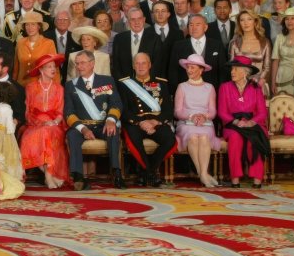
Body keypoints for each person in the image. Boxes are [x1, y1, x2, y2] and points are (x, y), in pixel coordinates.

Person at [64, 50, 123, 190]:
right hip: (83, 126)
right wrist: (83, 129)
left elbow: (116, 103)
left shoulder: (107, 80)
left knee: (113, 131)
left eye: (83, 63)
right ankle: (78, 176)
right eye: (77, 64)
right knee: (72, 134)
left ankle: (116, 172)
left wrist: (110, 120)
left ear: (92, 64)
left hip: (103, 124)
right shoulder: (70, 85)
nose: (79, 67)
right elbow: (69, 112)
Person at [118, 52, 173, 187]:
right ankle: (151, 173)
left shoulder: (161, 83)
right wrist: (140, 122)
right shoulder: (124, 84)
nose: (140, 66)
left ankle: (147, 171)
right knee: (135, 140)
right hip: (135, 122)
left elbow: (168, 110)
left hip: (156, 122)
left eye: (144, 63)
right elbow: (123, 110)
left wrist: (156, 121)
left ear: (149, 65)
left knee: (170, 140)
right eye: (137, 63)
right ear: (133, 66)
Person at [218, 55, 269, 189]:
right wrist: (235, 122)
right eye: (231, 69)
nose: (232, 72)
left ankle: (257, 180)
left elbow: (262, 113)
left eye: (235, 69)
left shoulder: (256, 88)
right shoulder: (225, 87)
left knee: (255, 139)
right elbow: (222, 112)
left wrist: (250, 122)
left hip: (252, 124)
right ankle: (235, 180)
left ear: (245, 72)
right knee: (235, 138)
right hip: (233, 125)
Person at [20, 53, 69, 188]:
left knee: (47, 132)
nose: (53, 69)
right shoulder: (30, 87)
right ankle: (50, 175)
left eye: (54, 67)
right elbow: (28, 112)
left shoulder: (59, 88)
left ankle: (48, 175)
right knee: (32, 135)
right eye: (49, 67)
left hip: (54, 125)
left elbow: (60, 112)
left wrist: (54, 122)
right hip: (34, 124)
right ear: (41, 70)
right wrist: (40, 123)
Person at [174, 53, 219, 189]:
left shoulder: (209, 87)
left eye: (193, 67)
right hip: (186, 123)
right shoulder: (181, 87)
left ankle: (203, 174)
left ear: (201, 70)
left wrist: (204, 116)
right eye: (188, 67)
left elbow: (213, 111)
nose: (189, 70)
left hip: (205, 123)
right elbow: (177, 112)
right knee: (193, 137)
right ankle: (204, 175)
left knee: (204, 138)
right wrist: (191, 116)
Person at [111, 7, 162, 83]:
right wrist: (122, 82)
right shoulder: (119, 39)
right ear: (128, 21)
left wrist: (147, 82)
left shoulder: (155, 39)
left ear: (144, 20)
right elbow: (115, 65)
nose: (136, 22)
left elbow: (157, 64)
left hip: (147, 85)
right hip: (124, 85)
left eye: (139, 19)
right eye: (133, 19)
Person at [229, 10, 272, 97]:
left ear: (255, 22)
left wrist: (259, 82)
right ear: (239, 23)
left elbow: (267, 67)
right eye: (242, 20)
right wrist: (240, 83)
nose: (245, 23)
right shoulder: (234, 43)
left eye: (249, 19)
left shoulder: (265, 42)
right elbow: (232, 66)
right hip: (239, 85)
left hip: (260, 85)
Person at [271, 7, 294, 97]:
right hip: (282, 79)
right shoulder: (280, 38)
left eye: (292, 18)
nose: (289, 21)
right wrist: (273, 82)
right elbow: (275, 61)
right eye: (287, 19)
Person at [14, 11, 55, 86]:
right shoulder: (20, 43)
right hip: (21, 87)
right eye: (27, 25)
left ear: (39, 26)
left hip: (41, 87)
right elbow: (16, 68)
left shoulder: (49, 43)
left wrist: (55, 88)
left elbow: (54, 69)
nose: (30, 28)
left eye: (33, 24)